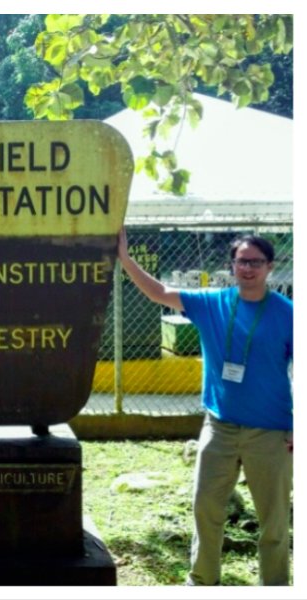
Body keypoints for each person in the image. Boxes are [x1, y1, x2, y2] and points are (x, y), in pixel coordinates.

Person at [117, 230, 292, 586]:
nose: (248, 268)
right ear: (232, 264)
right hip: (219, 427)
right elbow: (159, 293)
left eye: (256, 261)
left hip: (271, 432)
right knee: (205, 508)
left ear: (270, 267)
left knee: (273, 521)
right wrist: (125, 258)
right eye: (242, 260)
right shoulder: (211, 302)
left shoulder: (289, 314)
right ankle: (202, 582)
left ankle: (274, 586)